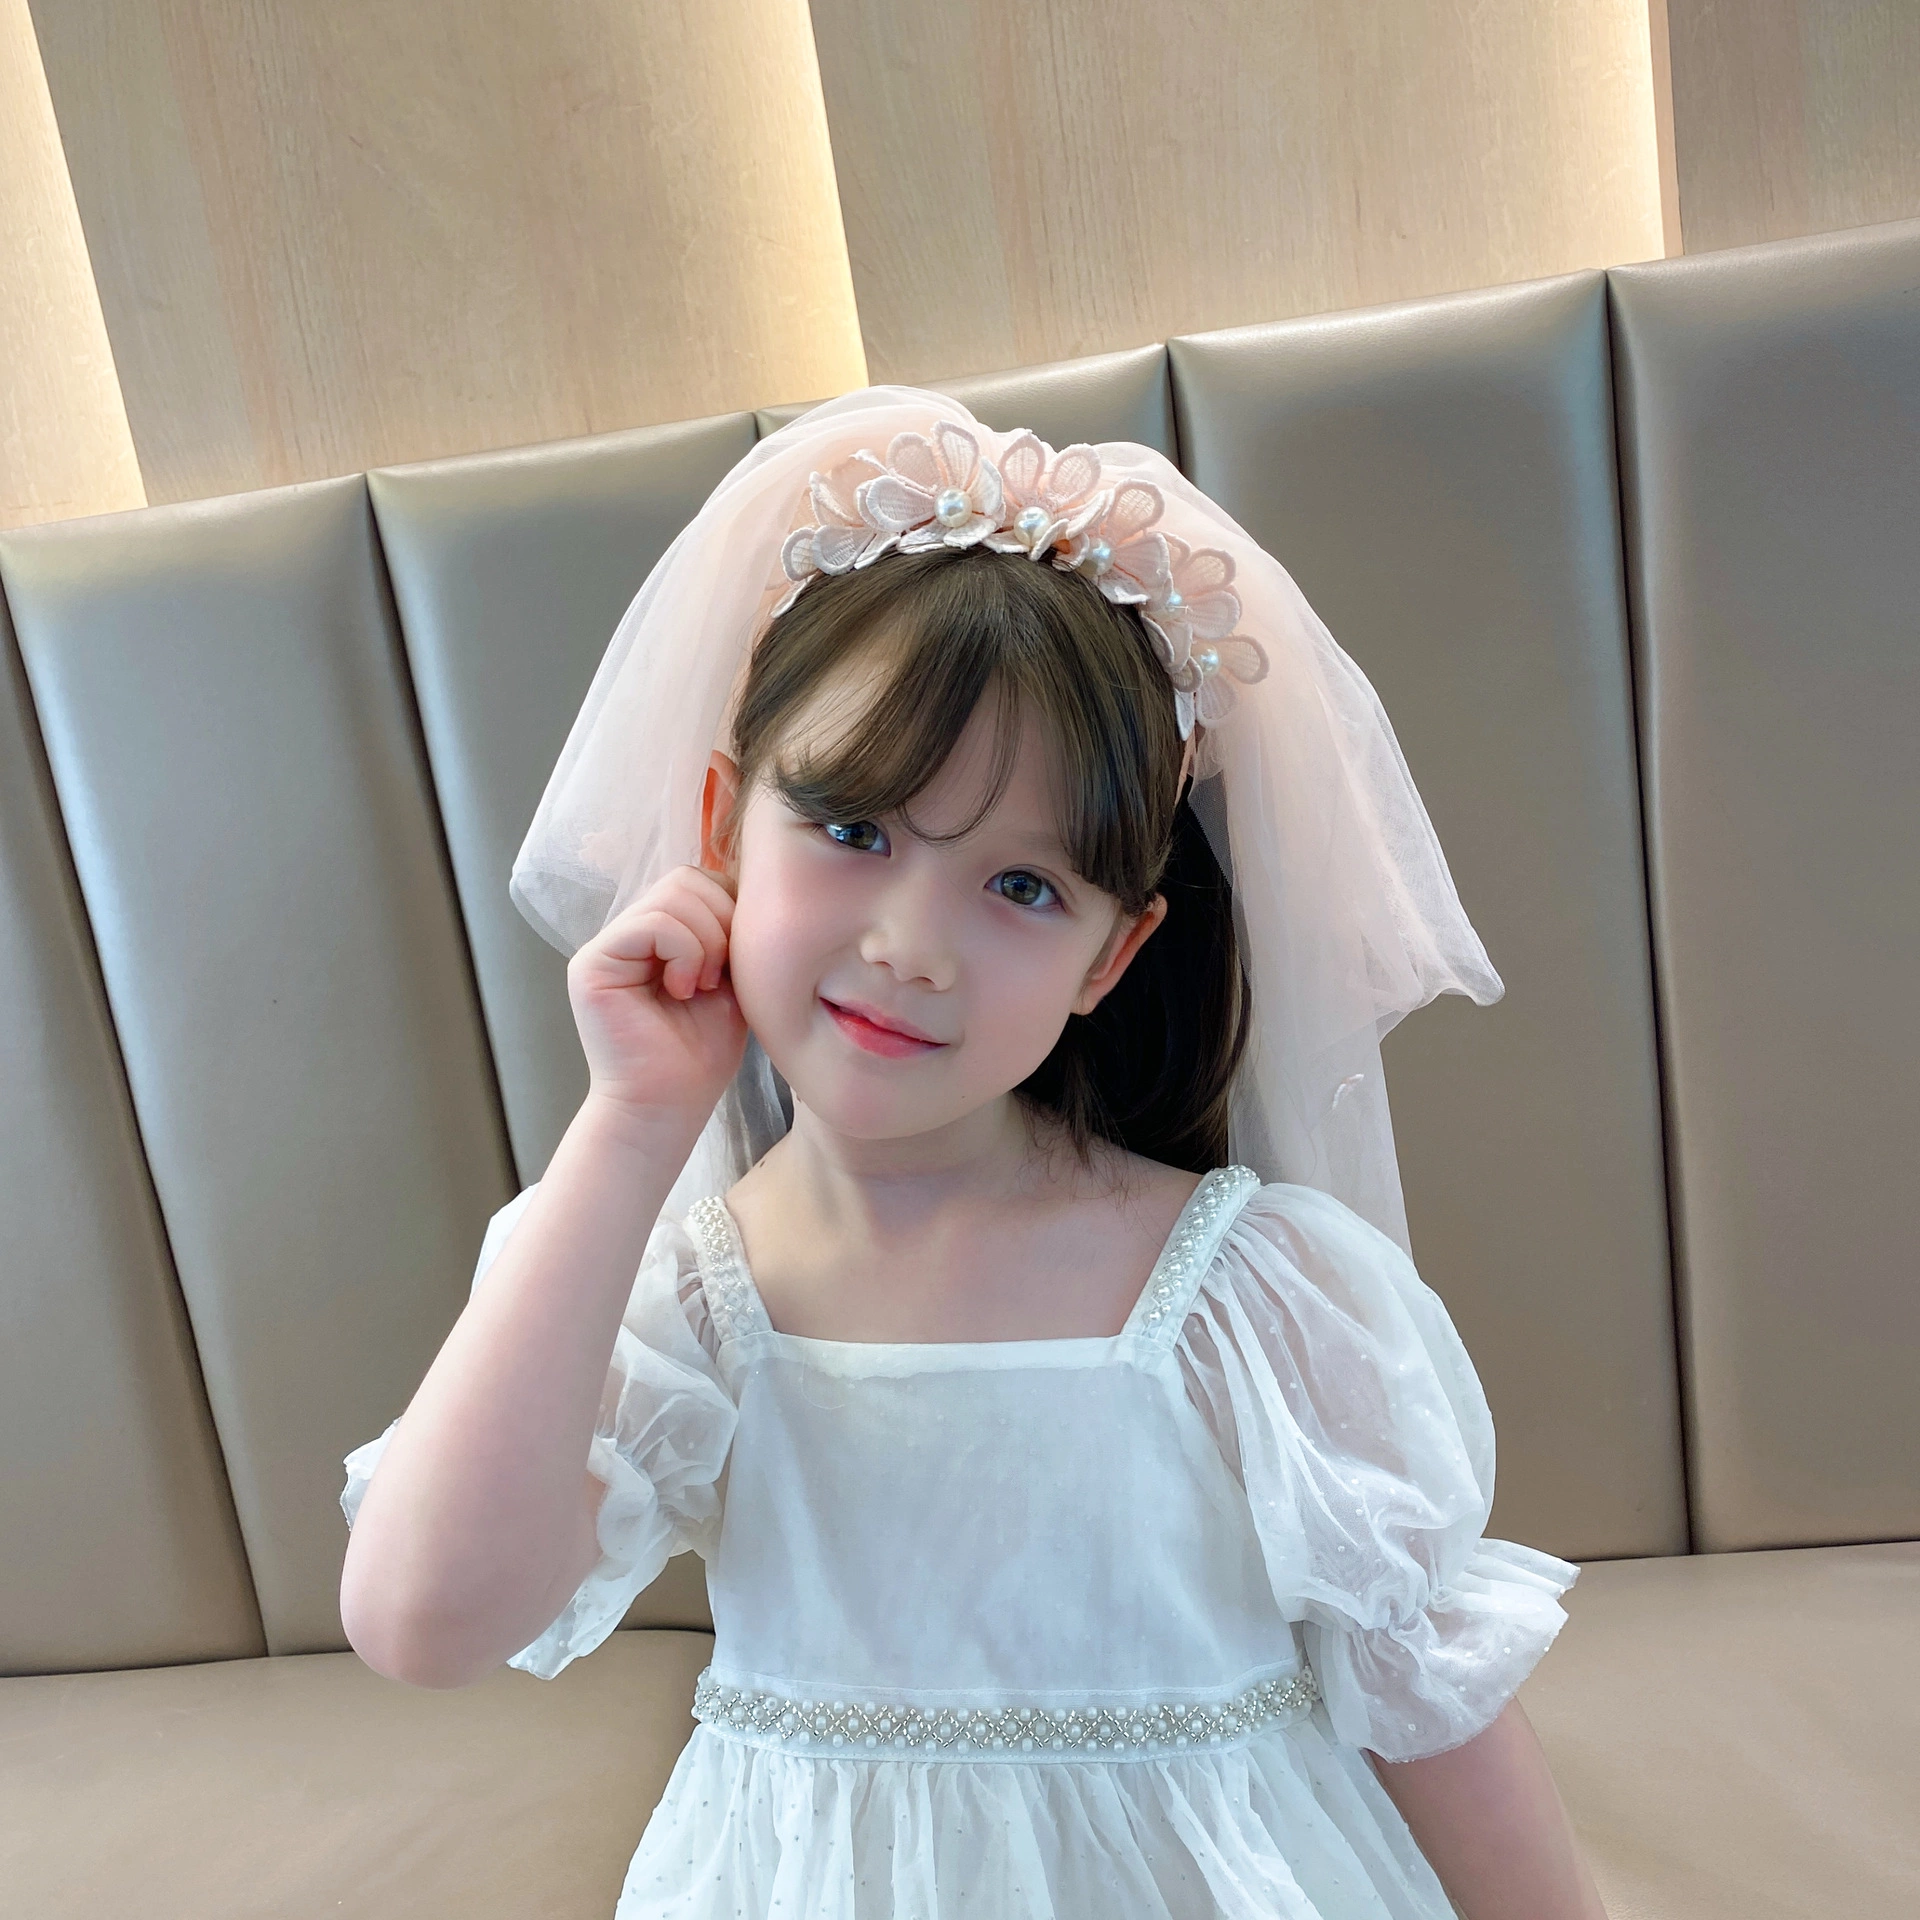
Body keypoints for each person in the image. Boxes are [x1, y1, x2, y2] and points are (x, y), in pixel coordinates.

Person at [338, 388, 1605, 1919]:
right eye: (855, 831)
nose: (910, 947)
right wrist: (631, 1128)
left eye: (1021, 887)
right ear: (724, 829)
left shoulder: (1245, 1292)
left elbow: (1430, 1701)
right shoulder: (679, 1291)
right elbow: (422, 1622)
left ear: (1111, 955)